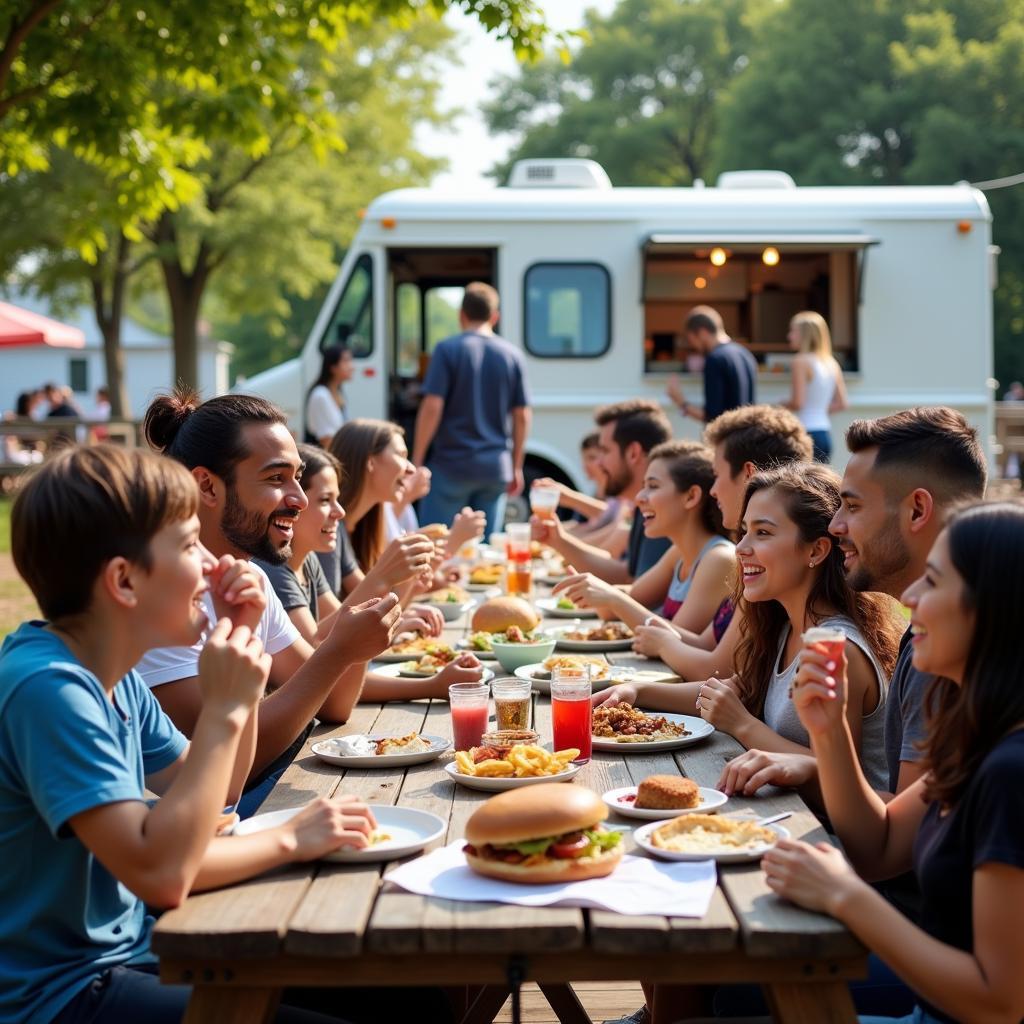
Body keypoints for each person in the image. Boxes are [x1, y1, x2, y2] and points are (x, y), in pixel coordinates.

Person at [0, 445, 383, 1024]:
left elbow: (221, 792)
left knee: (409, 996)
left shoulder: (116, 677)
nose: (211, 563)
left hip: (135, 953)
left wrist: (241, 644)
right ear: (124, 582)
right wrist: (288, 835)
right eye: (187, 545)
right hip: (60, 996)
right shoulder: (50, 690)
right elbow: (162, 873)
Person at [766, 501, 1024, 1024]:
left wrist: (846, 898)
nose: (910, 597)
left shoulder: (1010, 771)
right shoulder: (977, 733)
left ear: (992, 607)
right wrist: (830, 730)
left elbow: (1000, 1003)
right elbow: (877, 847)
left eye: (932, 581)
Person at [138, 389, 409, 814]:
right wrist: (338, 650)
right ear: (206, 485)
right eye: (275, 478)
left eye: (297, 477)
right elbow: (231, 767)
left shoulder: (253, 580)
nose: (299, 498)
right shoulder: (159, 600)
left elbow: (335, 702)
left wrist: (351, 646)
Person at [600, 463, 900, 790]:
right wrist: (636, 691)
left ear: (816, 549)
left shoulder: (840, 650)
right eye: (744, 531)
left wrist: (743, 725)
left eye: (763, 533)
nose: (741, 548)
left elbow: (844, 782)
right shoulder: (785, 626)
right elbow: (726, 692)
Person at [258, 443, 483, 700]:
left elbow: (339, 630)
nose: (339, 511)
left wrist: (406, 581)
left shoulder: (309, 560)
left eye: (337, 499)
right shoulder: (274, 568)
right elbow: (319, 651)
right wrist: (432, 685)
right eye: (324, 500)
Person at [627, 405, 812, 680]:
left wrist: (662, 643)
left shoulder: (768, 569)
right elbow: (705, 648)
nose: (712, 490)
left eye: (717, 474)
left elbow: (716, 670)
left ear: (749, 474)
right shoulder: (755, 561)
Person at [551, 441, 735, 638]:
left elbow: (677, 641)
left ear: (691, 496)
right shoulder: (678, 553)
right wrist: (597, 591)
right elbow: (612, 610)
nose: (639, 497)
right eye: (643, 486)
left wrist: (613, 598)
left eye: (653, 486)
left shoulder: (719, 559)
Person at [412, 282, 531, 535]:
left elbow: (432, 406)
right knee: (485, 550)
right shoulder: (512, 355)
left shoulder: (447, 350)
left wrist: (418, 459)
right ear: (495, 317)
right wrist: (516, 465)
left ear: (462, 315)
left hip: (452, 465)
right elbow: (522, 415)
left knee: (436, 541)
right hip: (495, 468)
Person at [531, 401, 672, 601]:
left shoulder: (664, 507)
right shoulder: (644, 506)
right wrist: (557, 539)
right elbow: (626, 574)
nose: (598, 463)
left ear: (633, 453)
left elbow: (643, 597)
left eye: (605, 451)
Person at [666, 306, 757, 424]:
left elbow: (713, 417)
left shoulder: (715, 359)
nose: (694, 347)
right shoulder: (745, 354)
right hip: (746, 434)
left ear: (703, 332)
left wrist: (681, 402)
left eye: (691, 340)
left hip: (726, 437)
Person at [781, 310, 848, 462]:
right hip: (824, 433)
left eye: (793, 331)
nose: (789, 336)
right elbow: (842, 403)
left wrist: (780, 405)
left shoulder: (800, 361)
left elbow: (798, 402)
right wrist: (818, 410)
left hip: (806, 434)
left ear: (805, 335)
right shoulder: (831, 362)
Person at [305, 344, 352, 447]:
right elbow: (326, 440)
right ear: (333, 367)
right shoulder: (320, 395)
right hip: (324, 459)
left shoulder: (338, 393)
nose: (352, 367)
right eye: (346, 361)